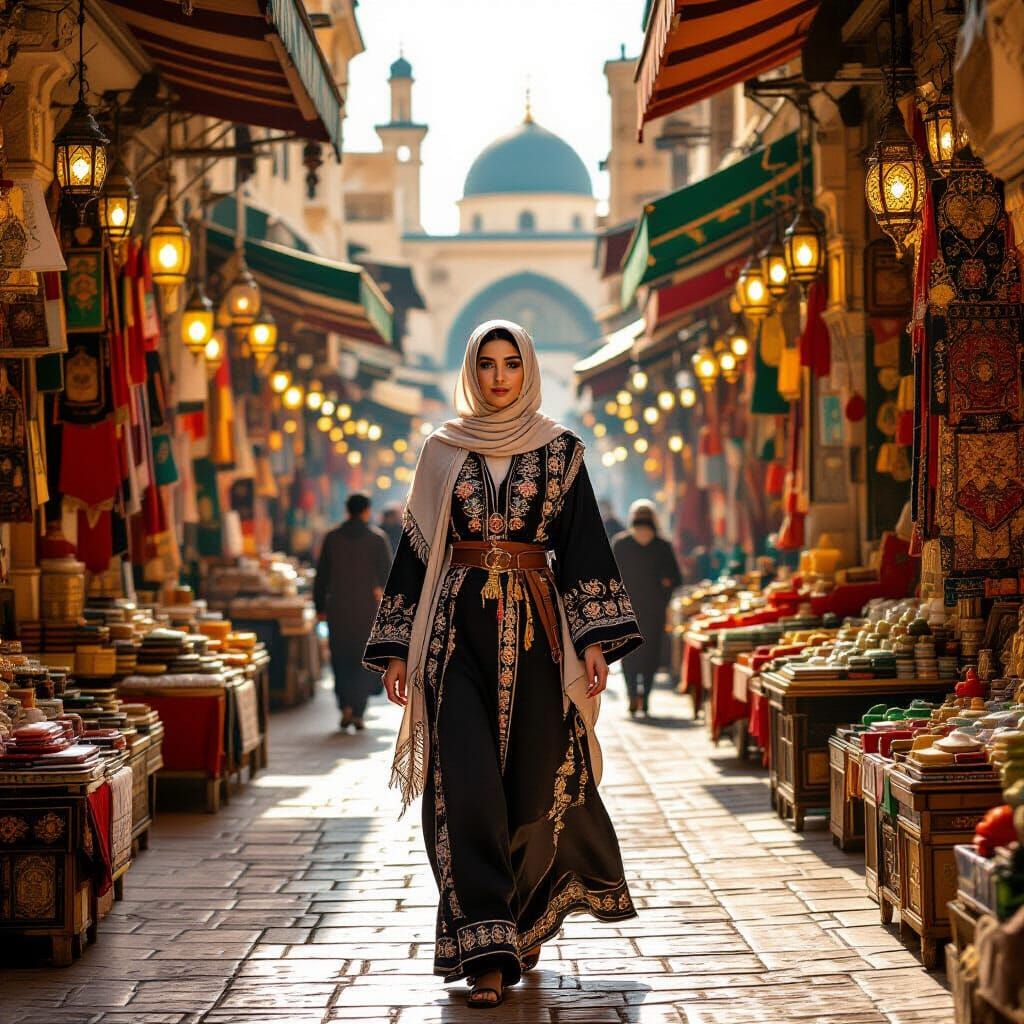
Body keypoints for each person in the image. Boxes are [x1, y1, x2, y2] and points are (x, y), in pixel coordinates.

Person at [364, 320, 641, 1008]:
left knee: (530, 787)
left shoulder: (561, 451)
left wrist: (595, 639)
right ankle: (486, 952)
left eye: (509, 363)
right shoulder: (440, 451)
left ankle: (524, 914)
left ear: (527, 369)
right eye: (485, 364)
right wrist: (398, 646)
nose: (496, 377)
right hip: (453, 637)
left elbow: (581, 549)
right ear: (471, 369)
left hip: (537, 640)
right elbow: (417, 551)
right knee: (465, 788)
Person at [315, 492, 392, 731]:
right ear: (367, 511)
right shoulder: (377, 539)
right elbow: (388, 577)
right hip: (366, 610)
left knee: (340, 657)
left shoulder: (332, 538)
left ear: (347, 510)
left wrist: (319, 607)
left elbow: (321, 577)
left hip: (338, 608)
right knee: (362, 658)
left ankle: (345, 706)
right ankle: (358, 711)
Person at [612, 500, 682, 717]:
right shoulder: (662, 545)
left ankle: (633, 694)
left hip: (627, 608)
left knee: (628, 652)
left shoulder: (621, 544)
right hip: (654, 609)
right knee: (651, 654)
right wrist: (664, 594)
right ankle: (646, 697)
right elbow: (675, 578)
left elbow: (610, 577)